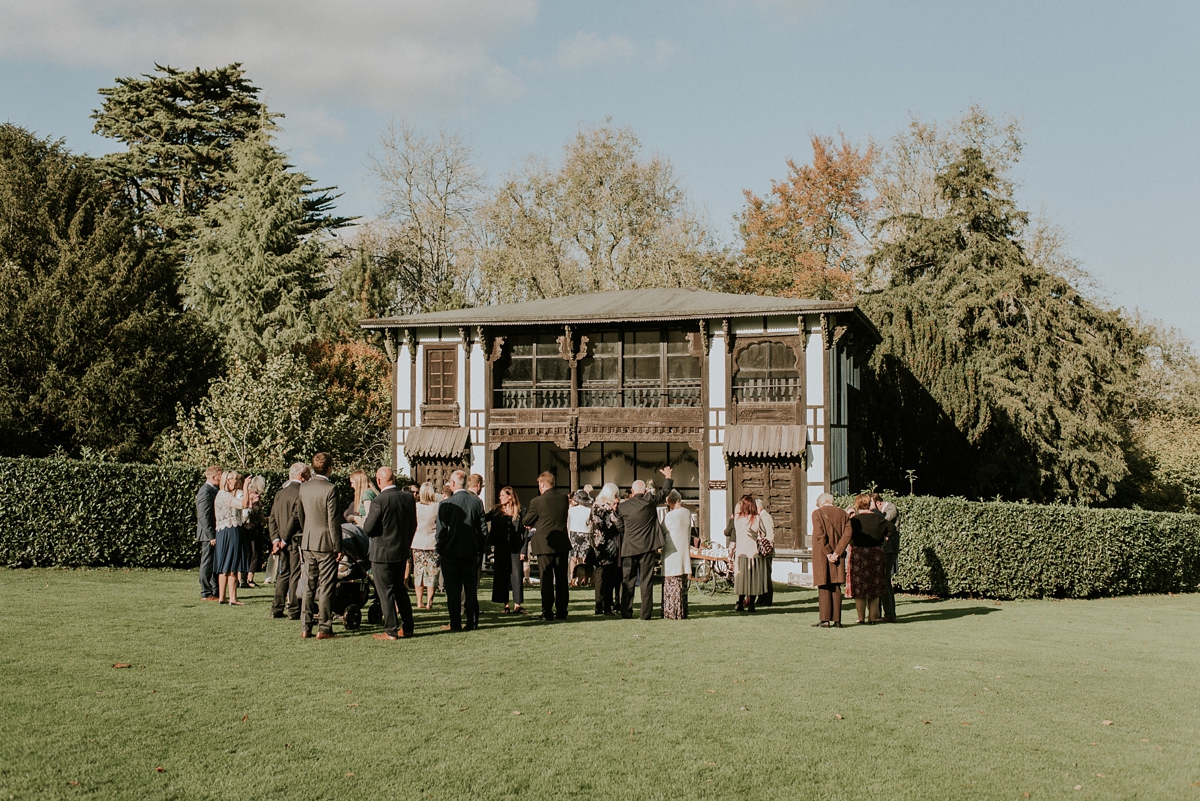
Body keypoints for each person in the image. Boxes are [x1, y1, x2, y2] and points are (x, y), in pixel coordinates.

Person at [362, 466, 417, 640]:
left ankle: (391, 630)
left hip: (382, 553)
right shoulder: (408, 498)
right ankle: (407, 627)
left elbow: (368, 528)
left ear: (379, 481)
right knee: (400, 589)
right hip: (401, 551)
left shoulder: (379, 500)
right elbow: (413, 524)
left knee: (385, 591)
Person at [294, 452, 343, 639]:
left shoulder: (304, 488)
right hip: (326, 543)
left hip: (308, 540)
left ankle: (305, 627)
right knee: (326, 586)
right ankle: (324, 628)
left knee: (309, 585)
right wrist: (337, 546)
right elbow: (333, 520)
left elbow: (301, 515)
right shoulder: (331, 489)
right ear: (329, 467)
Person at [616, 466, 674, 620]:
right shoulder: (649, 501)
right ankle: (645, 613)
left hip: (629, 548)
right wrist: (668, 476)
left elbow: (619, 525)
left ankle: (626, 612)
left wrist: (627, 533)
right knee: (646, 581)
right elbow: (665, 492)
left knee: (627, 581)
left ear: (632, 491)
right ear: (645, 491)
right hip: (647, 547)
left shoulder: (623, 507)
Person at [436, 470, 487, 632]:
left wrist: (441, 548)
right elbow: (483, 530)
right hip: (471, 552)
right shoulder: (476, 503)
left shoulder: (445, 505)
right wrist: (479, 548)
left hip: (450, 552)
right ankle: (472, 621)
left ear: (452, 484)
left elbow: (441, 532)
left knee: (453, 590)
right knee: (471, 589)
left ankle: (455, 622)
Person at [522, 472, 571, 621]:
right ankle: (562, 611)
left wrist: (535, 523)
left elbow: (526, 520)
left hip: (545, 544)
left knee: (546, 579)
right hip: (562, 543)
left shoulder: (537, 502)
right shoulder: (564, 499)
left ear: (542, 484)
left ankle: (547, 611)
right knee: (562, 579)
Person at [269, 462, 309, 619]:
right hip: (294, 539)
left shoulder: (280, 493)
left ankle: (276, 608)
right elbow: (295, 519)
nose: (309, 477)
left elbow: (272, 517)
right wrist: (284, 539)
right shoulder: (301, 492)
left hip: (281, 541)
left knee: (282, 574)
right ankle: (293, 608)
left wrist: (275, 539)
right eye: (307, 474)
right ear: (300, 475)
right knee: (295, 574)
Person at [845, 494, 890, 625]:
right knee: (874, 588)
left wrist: (852, 542)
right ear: (869, 504)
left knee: (859, 589)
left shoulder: (854, 521)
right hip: (876, 553)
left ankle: (860, 618)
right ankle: (872, 618)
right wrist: (883, 540)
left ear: (858, 505)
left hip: (859, 554)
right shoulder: (878, 518)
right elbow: (891, 529)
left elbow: (847, 535)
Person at [810, 493, 853, 628]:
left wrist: (828, 553)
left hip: (822, 554)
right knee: (836, 586)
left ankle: (825, 620)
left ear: (821, 503)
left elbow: (819, 535)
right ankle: (837, 620)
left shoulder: (817, 513)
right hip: (838, 554)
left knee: (824, 585)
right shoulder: (843, 514)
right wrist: (837, 552)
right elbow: (847, 535)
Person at [485, 486, 527, 614]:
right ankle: (506, 605)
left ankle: (517, 604)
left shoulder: (520, 511)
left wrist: (524, 551)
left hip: (515, 548)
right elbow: (483, 518)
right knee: (502, 575)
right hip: (501, 547)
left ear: (510, 496)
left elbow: (525, 533)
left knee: (517, 575)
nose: (500, 498)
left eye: (503, 495)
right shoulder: (497, 511)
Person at [214, 470, 252, 606]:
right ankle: (233, 598)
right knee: (232, 564)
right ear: (227, 480)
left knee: (224, 564)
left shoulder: (221, 495)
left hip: (223, 531)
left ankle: (222, 597)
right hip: (231, 531)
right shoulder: (224, 495)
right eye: (234, 479)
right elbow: (244, 504)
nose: (237, 481)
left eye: (238, 478)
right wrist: (246, 487)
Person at [728, 494, 771, 613]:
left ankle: (740, 603)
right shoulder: (757, 518)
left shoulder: (737, 518)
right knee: (753, 580)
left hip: (741, 554)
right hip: (754, 554)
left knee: (742, 579)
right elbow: (763, 532)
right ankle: (751, 604)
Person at [588, 483, 622, 615]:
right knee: (608, 578)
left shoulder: (595, 506)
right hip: (608, 547)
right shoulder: (606, 508)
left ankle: (598, 605)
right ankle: (607, 607)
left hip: (597, 545)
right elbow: (615, 526)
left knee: (599, 576)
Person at [660, 490, 692, 620]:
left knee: (671, 584)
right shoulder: (687, 513)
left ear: (669, 502)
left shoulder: (670, 516)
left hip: (672, 552)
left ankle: (671, 611)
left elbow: (662, 529)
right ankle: (682, 611)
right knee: (681, 585)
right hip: (683, 552)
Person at [411, 483, 441, 610]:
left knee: (418, 572)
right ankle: (429, 602)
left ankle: (419, 601)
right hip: (431, 542)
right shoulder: (437, 507)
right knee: (432, 573)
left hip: (417, 542)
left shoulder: (416, 507)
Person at [195, 466, 221, 601]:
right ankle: (206, 592)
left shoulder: (214, 490)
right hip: (208, 534)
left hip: (213, 533)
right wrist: (211, 535)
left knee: (214, 562)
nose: (221, 478)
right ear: (213, 477)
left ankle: (214, 591)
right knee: (207, 562)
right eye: (220, 476)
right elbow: (204, 515)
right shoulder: (205, 491)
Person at [874, 494, 900, 623]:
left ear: (878, 502)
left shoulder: (891, 508)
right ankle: (879, 612)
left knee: (884, 579)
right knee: (882, 579)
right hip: (881, 548)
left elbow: (884, 520)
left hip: (889, 549)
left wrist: (873, 511)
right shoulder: (881, 510)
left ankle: (889, 613)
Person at [240, 476, 267, 588]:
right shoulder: (255, 498)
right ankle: (249, 578)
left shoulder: (246, 494)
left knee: (247, 553)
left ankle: (242, 578)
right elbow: (254, 513)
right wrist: (263, 519)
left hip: (245, 526)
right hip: (253, 528)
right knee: (255, 552)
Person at [567, 489, 593, 587]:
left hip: (574, 533)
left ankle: (572, 578)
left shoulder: (571, 510)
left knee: (573, 556)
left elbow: (569, 523)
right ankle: (585, 579)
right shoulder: (589, 510)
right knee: (585, 557)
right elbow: (590, 523)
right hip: (585, 533)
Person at [754, 498, 775, 607]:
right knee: (763, 576)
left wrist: (765, 545)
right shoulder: (762, 517)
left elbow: (769, 535)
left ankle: (767, 599)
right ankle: (762, 597)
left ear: (759, 508)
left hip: (766, 551)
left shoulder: (764, 517)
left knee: (766, 576)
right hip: (764, 550)